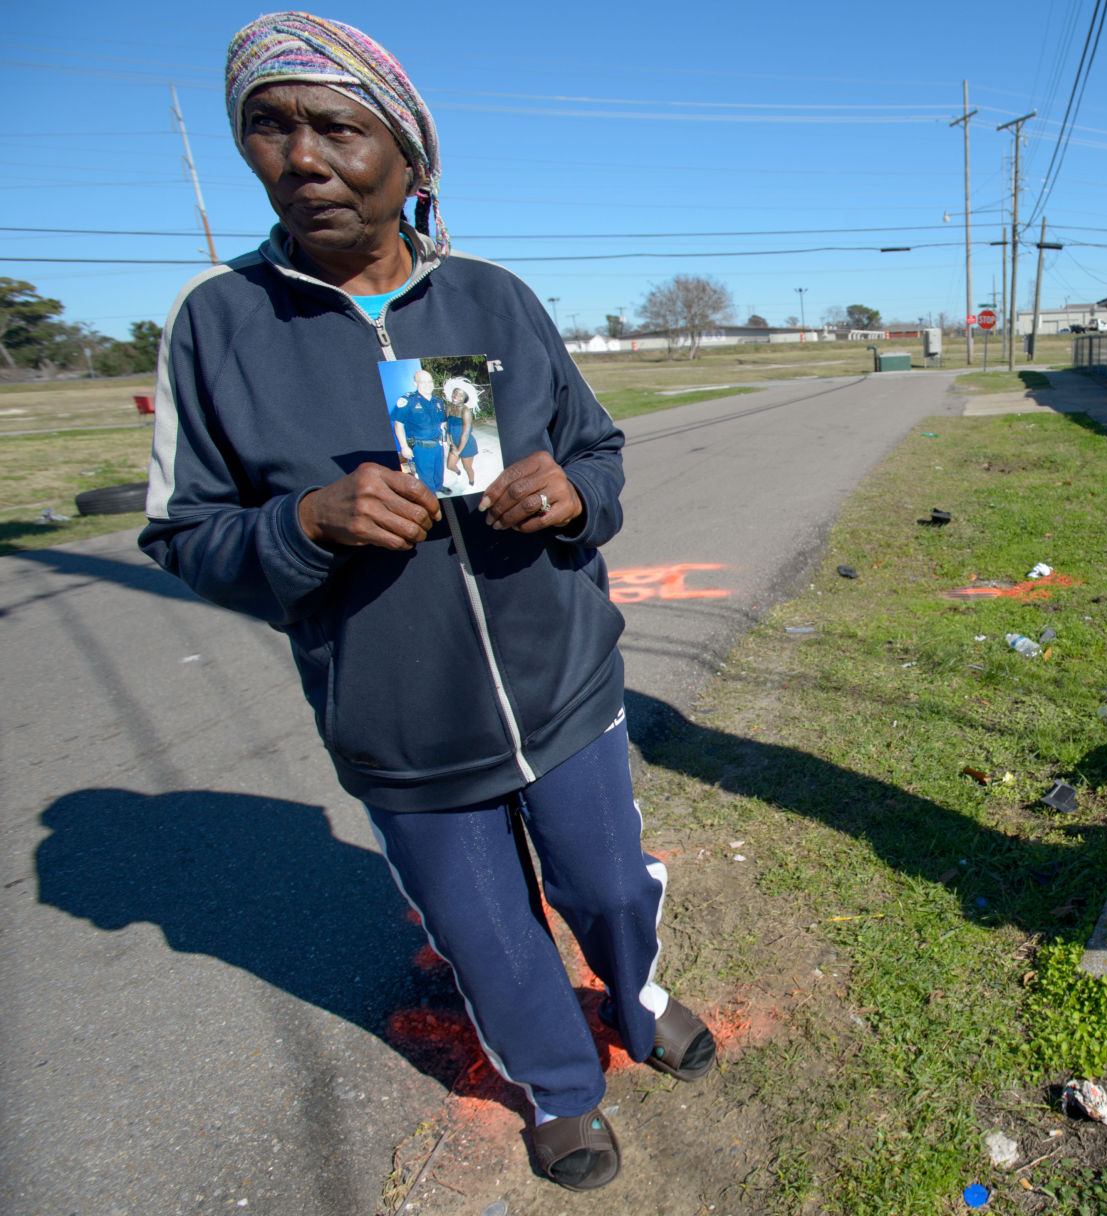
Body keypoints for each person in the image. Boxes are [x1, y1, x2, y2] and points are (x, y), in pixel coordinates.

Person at [139, 12, 712, 1192]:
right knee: (492, 939)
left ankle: (637, 995)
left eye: (338, 129)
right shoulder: (218, 325)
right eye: (269, 127)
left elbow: (595, 449)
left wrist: (571, 495)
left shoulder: (490, 301)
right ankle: (560, 1088)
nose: (302, 159)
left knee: (608, 884)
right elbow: (185, 536)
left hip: (562, 683)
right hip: (403, 727)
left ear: (411, 158)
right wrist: (304, 523)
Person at [391, 368, 448, 493]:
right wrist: (404, 447)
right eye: (423, 382)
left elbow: (442, 423)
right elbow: (398, 425)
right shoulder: (408, 401)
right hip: (421, 447)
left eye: (430, 382)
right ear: (415, 384)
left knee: (439, 470)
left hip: (438, 444)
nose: (428, 385)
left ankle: (438, 486)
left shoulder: (438, 402)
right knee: (426, 477)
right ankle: (432, 498)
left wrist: (444, 440)